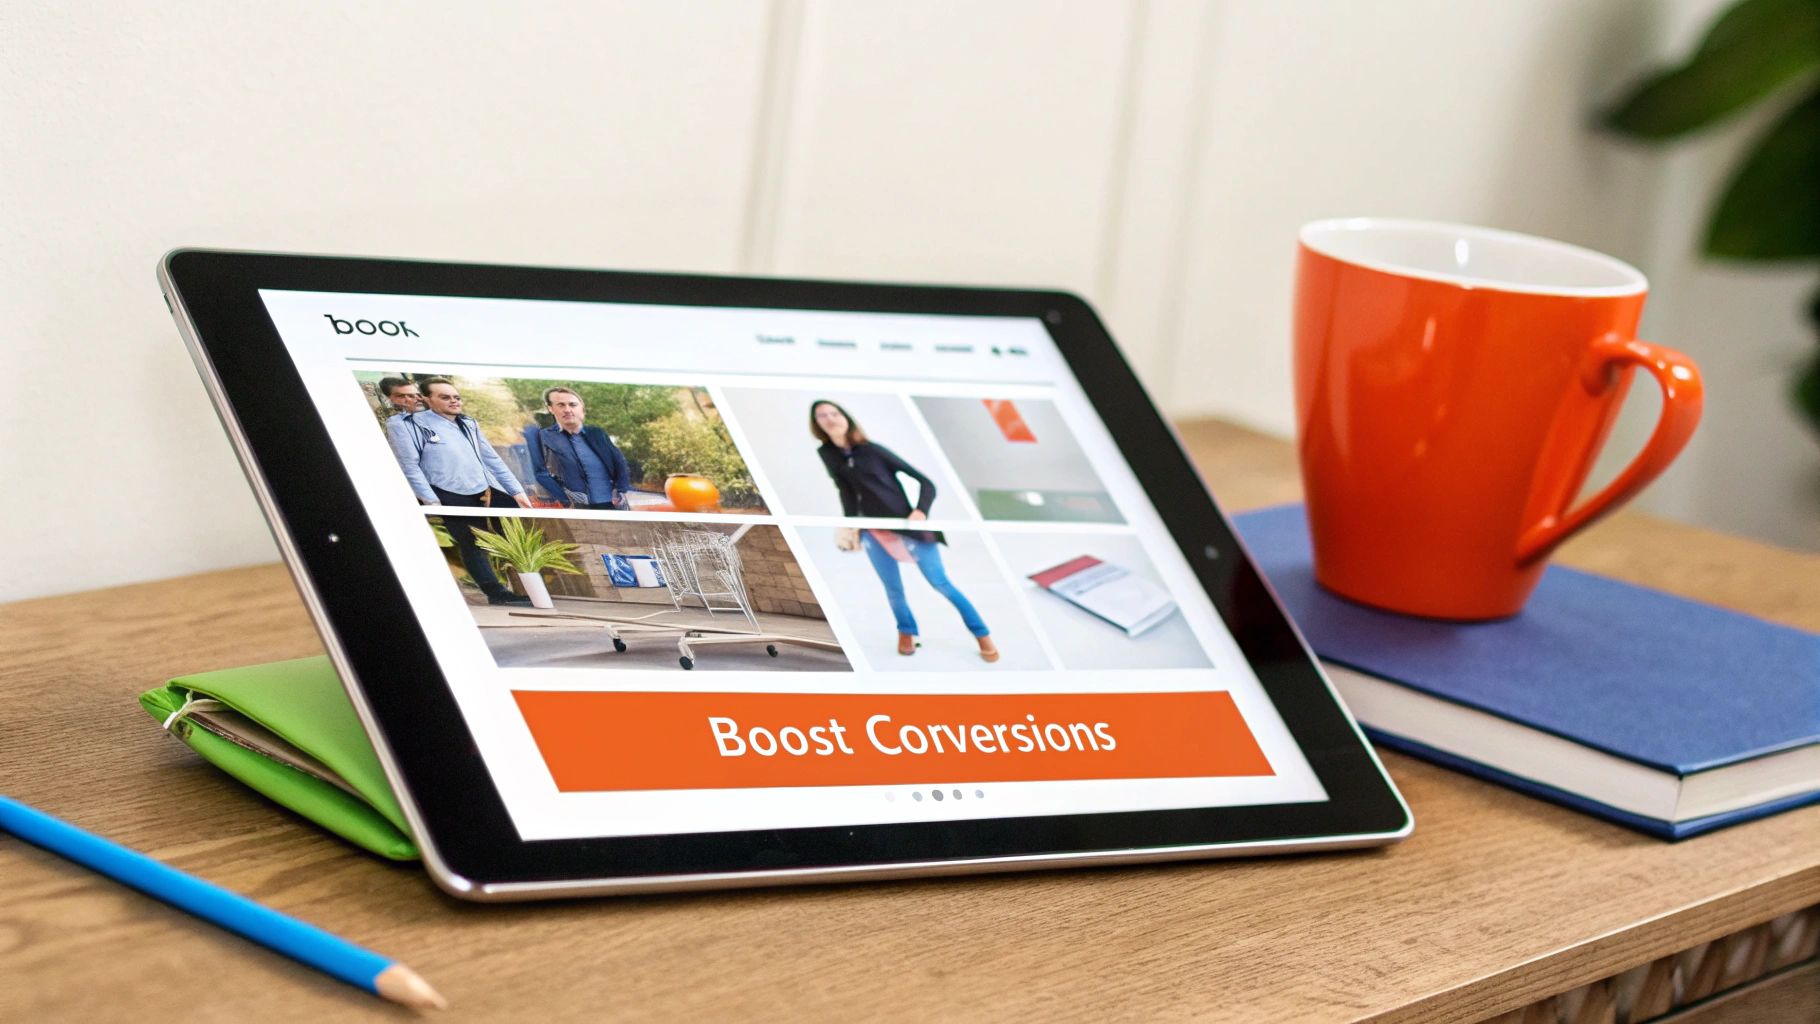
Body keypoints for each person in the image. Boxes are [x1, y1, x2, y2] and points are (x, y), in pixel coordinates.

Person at [811, 399, 998, 662]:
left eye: (834, 413)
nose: (829, 418)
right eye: (822, 416)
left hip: (907, 527)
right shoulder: (827, 453)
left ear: (845, 417)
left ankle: (982, 634)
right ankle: (906, 630)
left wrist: (920, 511)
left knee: (940, 583)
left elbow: (926, 483)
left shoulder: (873, 450)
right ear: (817, 424)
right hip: (873, 531)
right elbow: (845, 491)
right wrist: (851, 524)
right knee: (893, 588)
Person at [385, 377, 534, 606]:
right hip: (448, 492)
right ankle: (496, 593)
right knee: (471, 542)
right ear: (426, 399)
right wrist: (432, 501)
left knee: (517, 536)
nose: (454, 401)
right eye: (445, 397)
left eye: (456, 397)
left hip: (487, 487)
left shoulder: (468, 423)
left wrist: (515, 491)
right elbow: (410, 465)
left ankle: (533, 587)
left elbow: (491, 458)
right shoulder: (407, 424)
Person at [533, 387, 633, 511]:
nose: (567, 409)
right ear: (550, 409)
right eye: (561, 405)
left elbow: (619, 462)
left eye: (573, 405)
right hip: (576, 507)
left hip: (611, 504)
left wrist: (620, 489)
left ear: (581, 408)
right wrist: (565, 498)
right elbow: (540, 473)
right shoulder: (543, 437)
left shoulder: (597, 433)